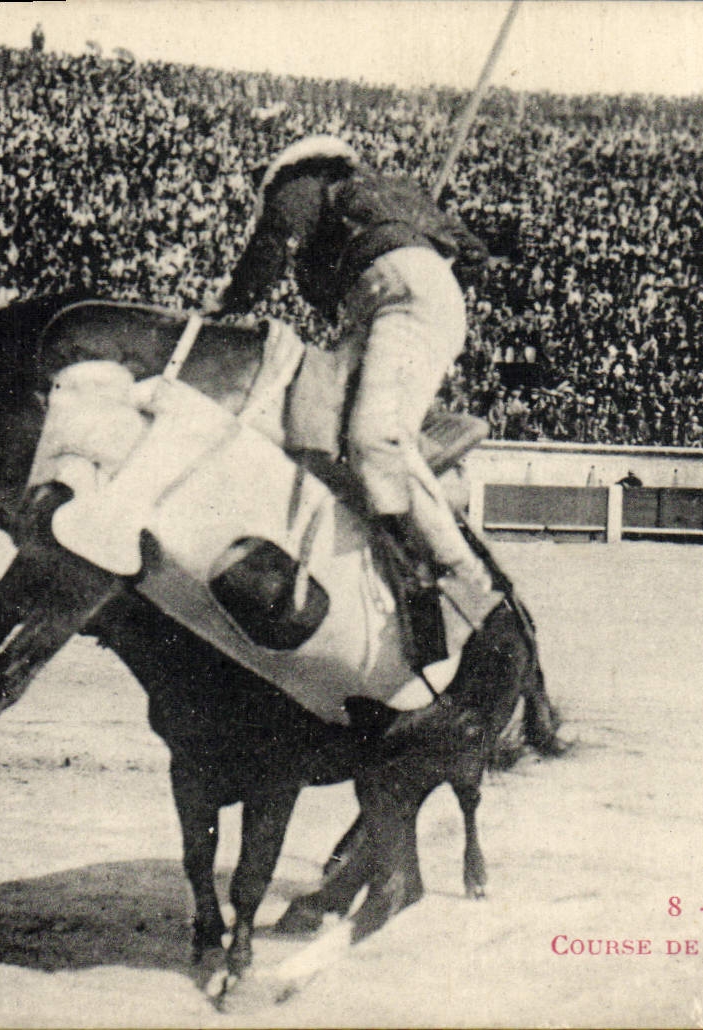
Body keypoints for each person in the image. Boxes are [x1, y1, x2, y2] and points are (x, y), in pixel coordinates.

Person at [209, 135, 501, 738]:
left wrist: (228, 306)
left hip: (398, 297)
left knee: (374, 442)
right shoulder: (390, 193)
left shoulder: (303, 187)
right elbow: (473, 255)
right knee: (321, 425)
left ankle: (464, 577)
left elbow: (273, 243)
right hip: (396, 300)